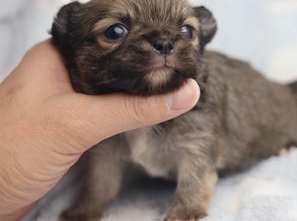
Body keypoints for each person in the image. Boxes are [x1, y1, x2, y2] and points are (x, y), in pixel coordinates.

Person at [0, 40, 200, 221]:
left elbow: (198, 159)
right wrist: (91, 206)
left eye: (186, 31)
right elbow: (106, 159)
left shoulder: (198, 111)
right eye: (115, 32)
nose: (163, 43)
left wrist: (189, 206)